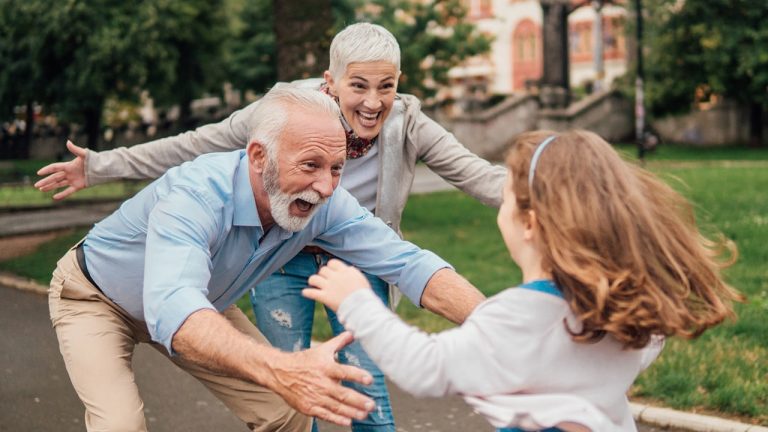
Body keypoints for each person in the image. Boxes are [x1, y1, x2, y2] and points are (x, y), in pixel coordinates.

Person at [34, 22, 506, 431]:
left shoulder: (329, 197)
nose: (325, 188)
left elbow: (410, 264)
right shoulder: (196, 195)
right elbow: (173, 305)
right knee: (121, 424)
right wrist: (100, 166)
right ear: (259, 156)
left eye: (338, 168)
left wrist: (503, 329)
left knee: (290, 410)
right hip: (98, 299)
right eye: (310, 166)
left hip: (203, 299)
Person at [302, 130, 744, 432]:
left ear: (529, 222)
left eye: (506, 198)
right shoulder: (627, 309)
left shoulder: (520, 317)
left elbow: (425, 368)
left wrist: (358, 301)